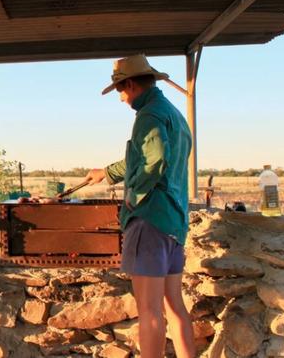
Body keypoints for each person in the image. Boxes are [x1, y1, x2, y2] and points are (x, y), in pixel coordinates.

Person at [85, 55, 195, 358]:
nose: (121, 99)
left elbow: (155, 158)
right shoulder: (172, 113)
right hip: (174, 222)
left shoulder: (148, 115)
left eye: (120, 91)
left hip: (150, 220)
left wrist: (136, 197)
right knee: (175, 309)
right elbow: (148, 155)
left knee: (149, 310)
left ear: (130, 84)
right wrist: (107, 173)